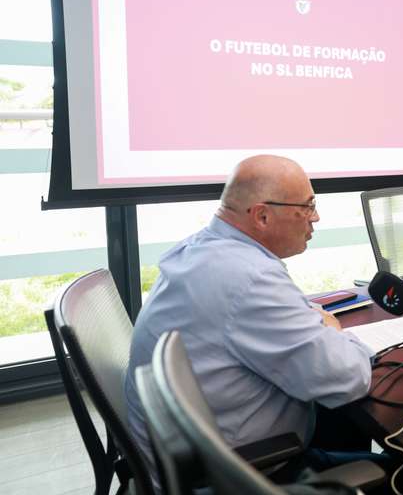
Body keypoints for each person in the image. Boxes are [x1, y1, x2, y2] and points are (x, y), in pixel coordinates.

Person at [123, 155, 375, 489]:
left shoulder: (201, 249)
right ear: (263, 215)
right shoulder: (249, 279)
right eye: (307, 206)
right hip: (241, 473)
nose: (315, 217)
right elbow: (348, 377)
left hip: (191, 455)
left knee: (340, 418)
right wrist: (336, 330)